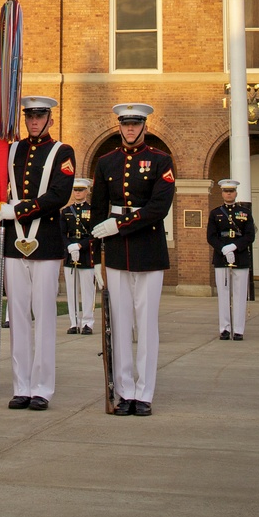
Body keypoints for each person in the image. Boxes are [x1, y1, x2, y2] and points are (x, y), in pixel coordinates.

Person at [0, 95, 76, 411]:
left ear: (49, 119)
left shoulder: (62, 152)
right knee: (18, 316)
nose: (34, 122)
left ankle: (42, 387)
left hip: (45, 242)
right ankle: (21, 385)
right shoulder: (13, 150)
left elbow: (59, 195)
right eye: (29, 117)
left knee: (44, 314)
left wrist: (19, 209)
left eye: (39, 117)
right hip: (12, 244)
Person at [91, 102, 175, 417]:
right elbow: (97, 212)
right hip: (113, 251)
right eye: (125, 124)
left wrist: (120, 225)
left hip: (148, 250)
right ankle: (124, 391)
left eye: (135, 124)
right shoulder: (105, 162)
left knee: (146, 324)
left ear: (145, 127)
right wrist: (92, 257)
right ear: (119, 127)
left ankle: (145, 393)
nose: (129, 129)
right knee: (121, 323)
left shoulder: (160, 161)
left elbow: (158, 207)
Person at [207, 179, 256, 339]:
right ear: (222, 193)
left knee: (240, 294)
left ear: (235, 193)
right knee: (223, 294)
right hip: (221, 258)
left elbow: (250, 235)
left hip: (240, 256)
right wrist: (223, 248)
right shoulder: (215, 213)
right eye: (226, 191)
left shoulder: (245, 213)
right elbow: (211, 236)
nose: (229, 194)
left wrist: (234, 247)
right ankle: (224, 329)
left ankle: (239, 330)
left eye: (231, 191)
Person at [62, 177, 97, 336]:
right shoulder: (66, 211)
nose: (77, 193)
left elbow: (94, 234)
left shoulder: (92, 210)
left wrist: (80, 245)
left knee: (87, 290)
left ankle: (88, 322)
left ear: (87, 191)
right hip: (70, 254)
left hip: (85, 254)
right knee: (72, 290)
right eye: (75, 190)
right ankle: (74, 322)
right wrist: (69, 245)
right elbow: (61, 233)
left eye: (80, 190)